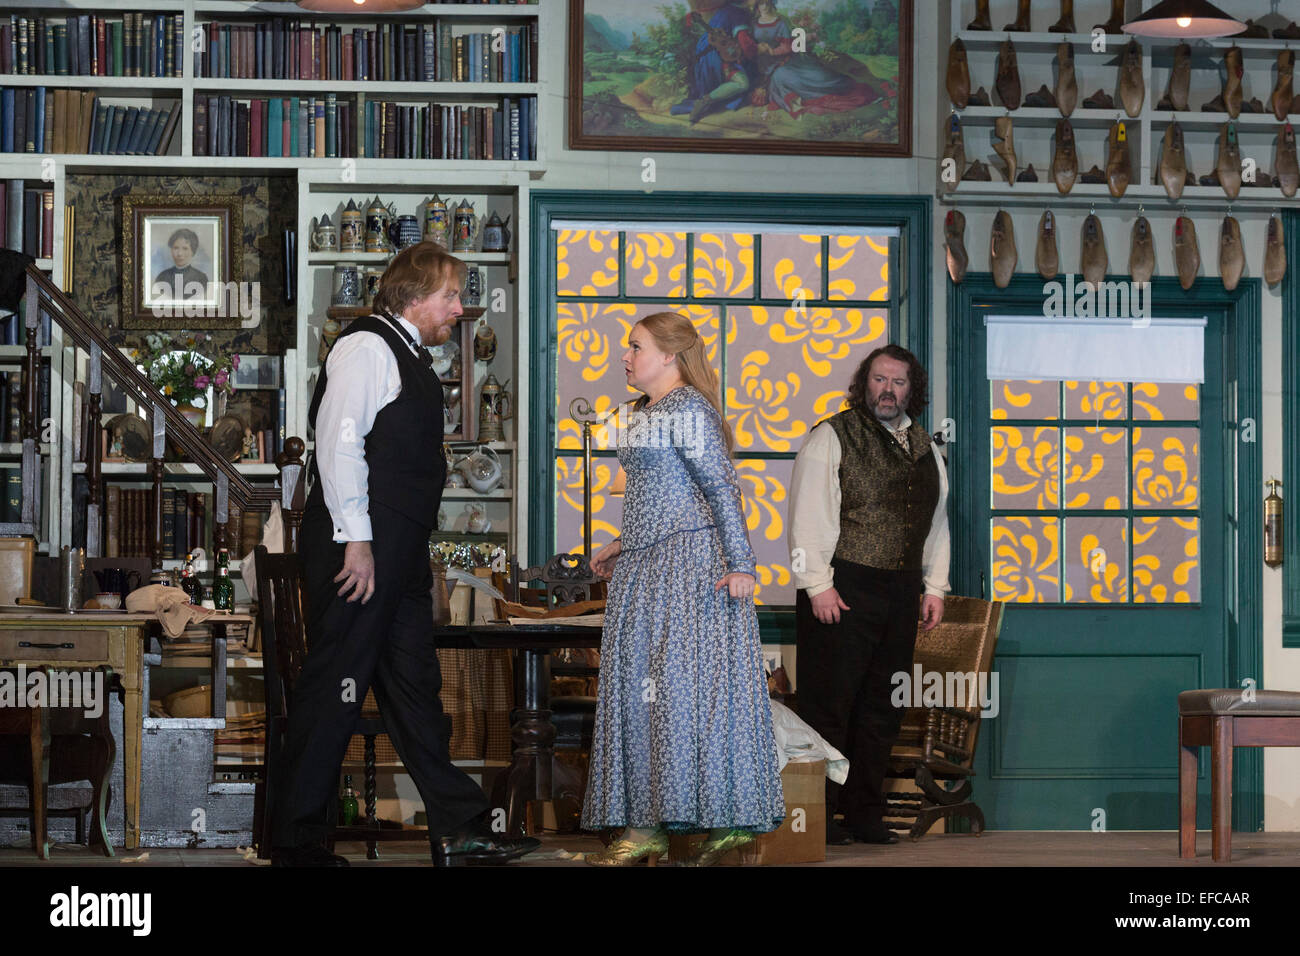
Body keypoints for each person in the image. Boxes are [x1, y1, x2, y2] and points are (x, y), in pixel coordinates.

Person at [271, 242, 538, 867]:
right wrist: (357, 542)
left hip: (397, 545)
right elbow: (338, 448)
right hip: (358, 543)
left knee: (415, 686)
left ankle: (460, 828)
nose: (459, 307)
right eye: (450, 294)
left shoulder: (408, 351)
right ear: (415, 296)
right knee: (336, 684)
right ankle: (295, 843)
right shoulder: (366, 347)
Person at [582, 311, 784, 866]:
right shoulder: (645, 412)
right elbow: (663, 494)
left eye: (635, 346)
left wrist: (742, 564)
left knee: (684, 694)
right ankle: (647, 824)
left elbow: (721, 488)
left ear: (669, 355)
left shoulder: (689, 407)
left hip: (689, 569)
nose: (625, 356)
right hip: (646, 567)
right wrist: (623, 542)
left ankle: (718, 818)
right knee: (642, 693)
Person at [787, 344, 949, 846]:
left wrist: (935, 586)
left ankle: (864, 815)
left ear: (911, 390)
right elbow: (807, 517)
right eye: (879, 380)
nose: (888, 390)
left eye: (898, 382)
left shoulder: (927, 447)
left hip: (901, 590)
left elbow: (937, 523)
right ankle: (823, 815)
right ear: (865, 384)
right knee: (830, 705)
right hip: (841, 586)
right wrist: (817, 585)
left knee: (883, 706)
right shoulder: (831, 436)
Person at [750, 0, 884, 117]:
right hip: (765, 64)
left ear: (771, 3)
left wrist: (771, 51)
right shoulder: (754, 23)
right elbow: (748, 44)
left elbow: (787, 45)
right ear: (757, 6)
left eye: (767, 2)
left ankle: (842, 87)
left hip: (786, 61)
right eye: (761, 3)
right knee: (776, 80)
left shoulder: (780, 22)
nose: (765, 6)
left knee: (803, 78)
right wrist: (758, 49)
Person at [670, 1, 760, 124]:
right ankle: (704, 102)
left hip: (703, 59)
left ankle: (706, 99)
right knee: (743, 83)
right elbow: (745, 43)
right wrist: (759, 51)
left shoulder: (723, 10)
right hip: (717, 58)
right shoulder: (738, 13)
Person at [153, 228, 209, 300]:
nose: (179, 253)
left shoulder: (201, 278)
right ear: (171, 250)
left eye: (185, 248)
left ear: (193, 251)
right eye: (176, 248)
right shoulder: (162, 277)